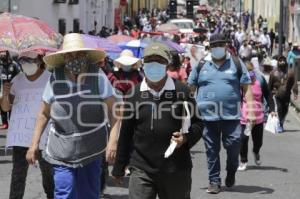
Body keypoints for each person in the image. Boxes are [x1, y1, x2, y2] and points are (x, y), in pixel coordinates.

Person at [25, 33, 120, 199]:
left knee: (88, 194)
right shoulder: (55, 78)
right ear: (64, 57)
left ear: (85, 55)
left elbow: (115, 111)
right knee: (64, 192)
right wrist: (33, 145)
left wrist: (113, 142)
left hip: (92, 147)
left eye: (78, 54)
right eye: (69, 55)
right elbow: (43, 113)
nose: (74, 58)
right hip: (62, 149)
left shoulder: (97, 75)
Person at [112, 43, 203, 199]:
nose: (154, 64)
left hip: (176, 169)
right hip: (141, 168)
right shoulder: (134, 94)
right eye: (150, 60)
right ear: (143, 65)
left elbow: (198, 124)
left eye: (159, 60)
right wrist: (119, 167)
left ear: (167, 64)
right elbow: (126, 132)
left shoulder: (182, 91)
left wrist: (186, 138)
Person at [188, 34, 255, 194]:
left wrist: (251, 109)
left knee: (234, 147)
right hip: (206, 118)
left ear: (226, 46)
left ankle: (231, 171)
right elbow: (190, 88)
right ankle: (214, 181)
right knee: (211, 151)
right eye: (214, 45)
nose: (217, 47)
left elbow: (246, 88)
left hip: (231, 118)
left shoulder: (237, 63)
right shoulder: (201, 64)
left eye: (220, 44)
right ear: (210, 47)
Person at [0, 51, 54, 199]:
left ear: (39, 60)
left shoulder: (51, 79)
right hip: (21, 138)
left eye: (29, 60)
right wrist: (5, 95)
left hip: (45, 138)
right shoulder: (17, 80)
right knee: (17, 177)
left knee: (49, 179)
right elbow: (5, 108)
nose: (25, 64)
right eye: (22, 60)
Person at [238, 61, 269, 171]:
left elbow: (267, 94)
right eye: (246, 72)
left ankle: (256, 152)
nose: (249, 74)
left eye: (251, 72)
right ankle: (243, 160)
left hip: (258, 116)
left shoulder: (260, 80)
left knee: (258, 142)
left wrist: (272, 110)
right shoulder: (240, 83)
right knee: (243, 140)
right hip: (245, 117)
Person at [268, 55, 298, 132]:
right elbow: (270, 85)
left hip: (287, 95)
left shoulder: (290, 72)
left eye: (283, 60)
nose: (282, 62)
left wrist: (295, 93)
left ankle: (281, 123)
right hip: (276, 94)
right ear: (278, 62)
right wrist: (268, 94)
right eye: (280, 60)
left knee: (285, 110)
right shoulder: (273, 73)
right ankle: (279, 124)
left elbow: (294, 83)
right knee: (279, 109)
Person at [0, 51, 20, 129]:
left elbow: (20, 75)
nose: (2, 54)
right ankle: (5, 123)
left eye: (3, 53)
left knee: (12, 104)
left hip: (13, 88)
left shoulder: (14, 64)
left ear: (7, 54)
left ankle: (12, 121)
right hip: (2, 87)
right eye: (0, 53)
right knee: (2, 103)